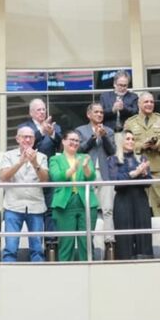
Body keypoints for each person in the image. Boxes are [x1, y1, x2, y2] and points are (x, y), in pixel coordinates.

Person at [0, 126, 49, 262]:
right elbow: (4, 177)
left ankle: (38, 275)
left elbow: (45, 180)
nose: (27, 140)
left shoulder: (42, 157)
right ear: (17, 139)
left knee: (37, 248)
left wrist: (34, 162)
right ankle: (8, 275)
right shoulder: (8, 155)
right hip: (13, 205)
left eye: (30, 137)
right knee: (10, 247)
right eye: (24, 137)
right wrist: (20, 162)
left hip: (36, 205)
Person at [48, 130, 99, 261]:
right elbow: (56, 177)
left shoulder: (85, 157)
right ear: (63, 141)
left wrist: (86, 167)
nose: (75, 143)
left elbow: (91, 177)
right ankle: (65, 275)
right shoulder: (55, 159)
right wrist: (73, 169)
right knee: (66, 243)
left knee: (86, 243)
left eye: (77, 141)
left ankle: (89, 274)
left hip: (86, 203)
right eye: (71, 139)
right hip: (64, 204)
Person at [18, 98, 63, 243]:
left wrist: (52, 134)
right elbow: (25, 145)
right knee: (34, 209)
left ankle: (51, 242)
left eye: (44, 109)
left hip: (47, 172)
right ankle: (36, 245)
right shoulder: (24, 127)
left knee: (50, 207)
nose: (42, 112)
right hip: (29, 173)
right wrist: (41, 132)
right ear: (31, 113)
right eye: (39, 109)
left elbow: (60, 146)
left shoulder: (54, 126)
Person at [106, 130, 154, 259]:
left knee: (143, 233)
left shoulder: (142, 158)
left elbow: (149, 182)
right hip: (123, 200)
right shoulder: (113, 159)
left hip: (140, 199)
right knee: (124, 236)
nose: (131, 141)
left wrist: (143, 174)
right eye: (127, 139)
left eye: (133, 139)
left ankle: (145, 261)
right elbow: (115, 180)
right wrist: (134, 173)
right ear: (121, 142)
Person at [123, 92, 160, 218]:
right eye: (146, 102)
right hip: (138, 166)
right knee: (139, 201)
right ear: (139, 104)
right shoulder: (130, 122)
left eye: (151, 102)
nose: (149, 104)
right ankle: (143, 234)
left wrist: (157, 144)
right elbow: (124, 143)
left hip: (157, 165)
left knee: (159, 201)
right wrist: (141, 146)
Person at [76, 103, 116, 243]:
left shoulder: (109, 131)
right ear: (89, 114)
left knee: (107, 209)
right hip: (87, 173)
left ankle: (109, 241)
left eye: (101, 112)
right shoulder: (80, 131)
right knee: (88, 209)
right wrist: (94, 137)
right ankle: (88, 240)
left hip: (105, 174)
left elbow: (112, 151)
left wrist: (104, 136)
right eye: (96, 112)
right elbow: (80, 150)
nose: (99, 114)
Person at [99, 71, 139, 145]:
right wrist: (112, 110)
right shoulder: (105, 96)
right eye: (120, 85)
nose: (122, 88)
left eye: (125, 85)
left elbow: (136, 113)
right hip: (109, 133)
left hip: (127, 134)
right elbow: (100, 114)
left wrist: (124, 108)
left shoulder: (133, 97)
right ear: (114, 84)